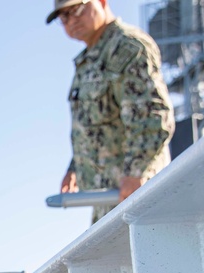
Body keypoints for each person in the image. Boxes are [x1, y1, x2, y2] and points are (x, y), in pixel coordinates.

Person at [48, 0, 174, 223]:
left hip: (138, 193)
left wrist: (136, 172)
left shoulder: (126, 47)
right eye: (63, 17)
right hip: (107, 199)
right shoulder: (89, 61)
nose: (71, 20)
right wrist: (75, 167)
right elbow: (94, 124)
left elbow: (152, 114)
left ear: (102, 2)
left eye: (76, 9)